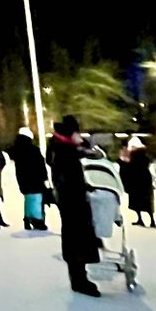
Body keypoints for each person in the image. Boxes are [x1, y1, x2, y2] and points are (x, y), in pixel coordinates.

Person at [46, 116, 103, 297]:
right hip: (72, 201)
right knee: (76, 238)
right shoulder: (64, 151)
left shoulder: (61, 147)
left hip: (70, 200)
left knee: (75, 238)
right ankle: (79, 280)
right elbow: (69, 177)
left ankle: (79, 277)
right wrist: (81, 191)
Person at [12, 127, 48, 230]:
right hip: (35, 179)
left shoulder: (17, 149)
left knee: (28, 198)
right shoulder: (34, 150)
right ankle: (37, 220)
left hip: (23, 179)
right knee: (36, 198)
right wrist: (44, 178)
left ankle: (27, 219)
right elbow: (41, 166)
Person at [120, 136, 156, 229]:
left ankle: (140, 219)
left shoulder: (132, 155)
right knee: (147, 201)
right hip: (145, 180)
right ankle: (152, 221)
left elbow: (126, 166)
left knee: (136, 200)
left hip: (135, 180)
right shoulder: (145, 155)